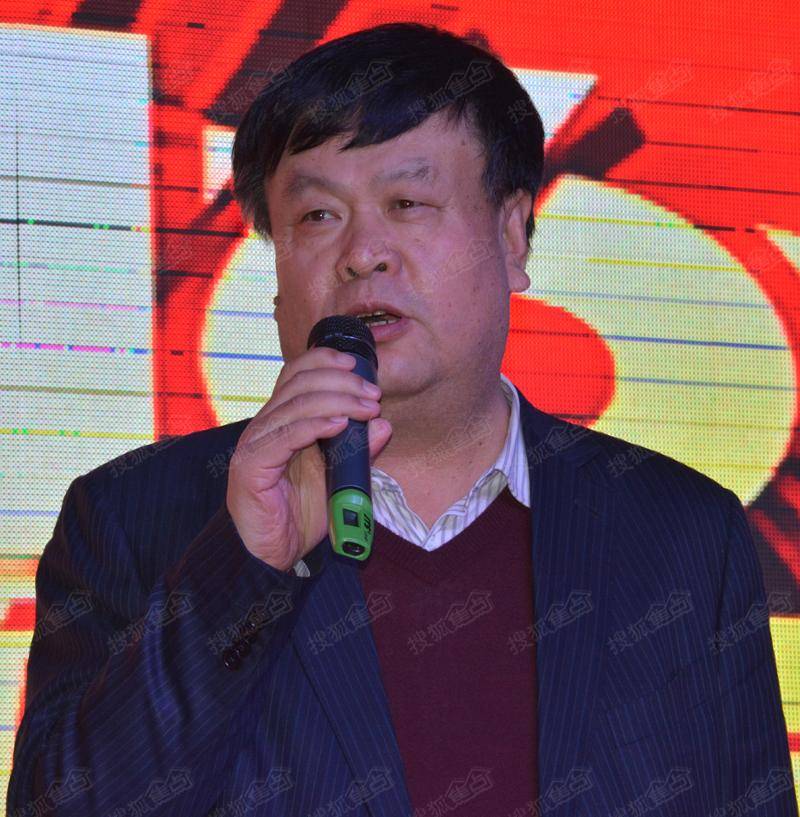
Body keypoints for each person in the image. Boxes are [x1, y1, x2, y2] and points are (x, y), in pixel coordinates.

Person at [8, 21, 797, 817]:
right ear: (275, 274)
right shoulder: (131, 518)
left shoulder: (683, 534)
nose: (362, 253)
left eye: (408, 203)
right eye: (318, 216)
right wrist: (244, 565)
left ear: (513, 236)